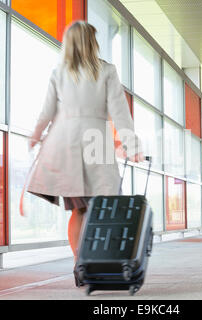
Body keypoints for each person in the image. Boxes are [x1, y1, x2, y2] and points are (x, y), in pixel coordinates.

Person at [26, 21, 143, 281]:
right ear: (93, 42)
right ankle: (94, 259)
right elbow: (119, 113)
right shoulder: (106, 71)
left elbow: (47, 112)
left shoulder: (59, 72)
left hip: (64, 142)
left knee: (79, 209)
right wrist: (132, 146)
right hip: (95, 141)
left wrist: (35, 136)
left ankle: (80, 263)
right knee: (100, 206)